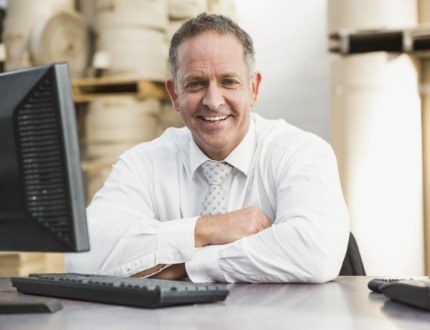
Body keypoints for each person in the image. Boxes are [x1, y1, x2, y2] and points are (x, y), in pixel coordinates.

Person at [66, 13, 350, 283]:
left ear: (253, 89)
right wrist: (206, 228)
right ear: (174, 95)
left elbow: (316, 252)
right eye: (196, 84)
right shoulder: (143, 163)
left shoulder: (300, 153)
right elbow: (82, 254)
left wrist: (188, 265)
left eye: (228, 82)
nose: (213, 101)